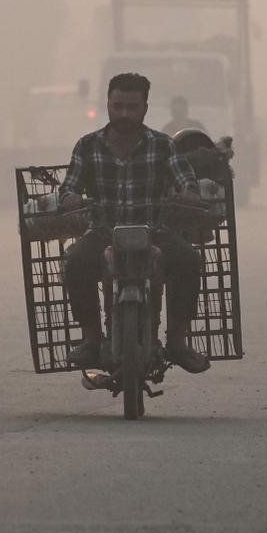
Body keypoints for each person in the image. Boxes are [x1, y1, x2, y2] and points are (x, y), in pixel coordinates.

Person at [59, 72, 210, 374]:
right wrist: (70, 198)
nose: (124, 113)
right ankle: (90, 338)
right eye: (118, 106)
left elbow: (186, 181)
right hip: (103, 231)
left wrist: (190, 195)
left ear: (145, 108)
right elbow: (69, 187)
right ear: (108, 105)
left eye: (131, 107)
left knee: (189, 261)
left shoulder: (163, 145)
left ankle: (178, 342)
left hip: (155, 231)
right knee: (75, 262)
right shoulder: (87, 146)